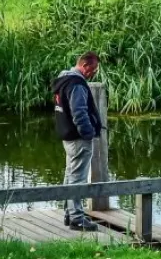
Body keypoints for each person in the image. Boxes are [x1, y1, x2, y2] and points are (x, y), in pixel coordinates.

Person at [51, 51, 103, 231]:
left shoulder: (63, 78)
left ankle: (69, 213)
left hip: (68, 137)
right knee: (78, 178)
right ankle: (77, 219)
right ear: (85, 66)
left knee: (70, 174)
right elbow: (79, 113)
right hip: (78, 138)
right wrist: (88, 133)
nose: (94, 73)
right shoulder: (77, 84)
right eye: (93, 69)